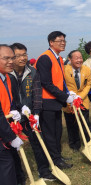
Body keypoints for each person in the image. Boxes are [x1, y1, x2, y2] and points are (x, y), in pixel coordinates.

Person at [9, 43, 56, 181]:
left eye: (24, 54)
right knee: (13, 147)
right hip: (12, 116)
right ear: (12, 57)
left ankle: (44, 171)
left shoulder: (32, 71)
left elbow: (37, 93)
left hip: (29, 115)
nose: (22, 58)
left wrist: (36, 113)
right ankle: (19, 177)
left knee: (37, 141)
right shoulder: (6, 74)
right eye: (18, 55)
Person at [35, 31, 74, 169]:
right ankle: (54, 160)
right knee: (50, 133)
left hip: (55, 101)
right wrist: (64, 96)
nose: (63, 43)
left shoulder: (57, 58)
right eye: (60, 40)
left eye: (64, 40)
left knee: (58, 131)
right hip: (47, 102)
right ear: (51, 42)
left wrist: (68, 93)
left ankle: (57, 156)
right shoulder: (45, 58)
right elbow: (46, 82)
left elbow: (59, 80)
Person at [0, 44, 25, 185]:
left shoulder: (7, 78)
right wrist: (11, 137)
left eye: (12, 58)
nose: (11, 61)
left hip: (5, 129)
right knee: (6, 168)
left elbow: (9, 101)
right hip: (2, 134)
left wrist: (15, 110)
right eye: (6, 58)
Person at [63, 50, 91, 151]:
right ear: (70, 59)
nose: (79, 60)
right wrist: (70, 96)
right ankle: (74, 144)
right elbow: (61, 85)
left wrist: (80, 96)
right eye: (76, 58)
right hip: (69, 102)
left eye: (80, 57)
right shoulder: (64, 70)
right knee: (71, 124)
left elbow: (88, 85)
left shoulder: (86, 69)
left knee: (85, 122)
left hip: (82, 100)